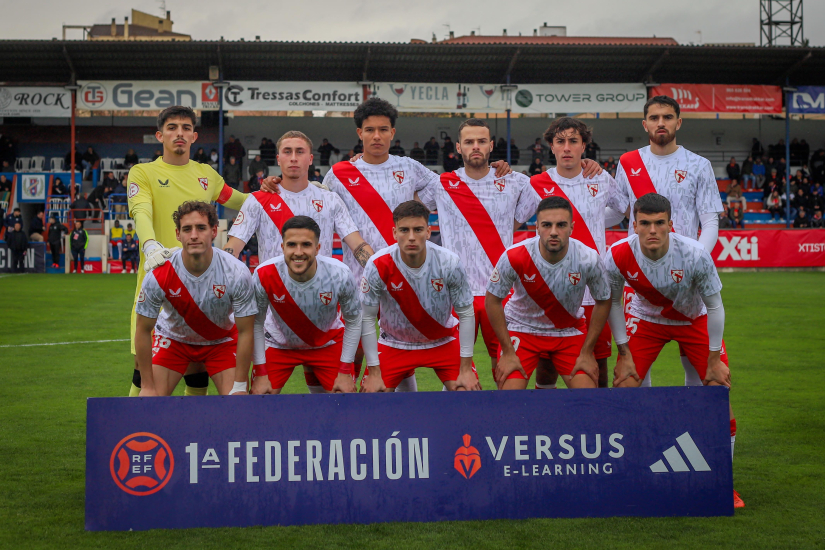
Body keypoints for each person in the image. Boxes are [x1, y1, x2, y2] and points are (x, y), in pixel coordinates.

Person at [419, 118, 603, 380]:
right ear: (458, 147)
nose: (475, 146)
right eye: (469, 142)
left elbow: (549, 201)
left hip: (501, 293)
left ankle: (500, 419)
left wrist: (586, 163)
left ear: (491, 146)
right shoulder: (441, 183)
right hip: (455, 293)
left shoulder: (517, 182)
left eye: (481, 141)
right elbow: (413, 208)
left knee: (503, 368)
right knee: (453, 369)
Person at [602, 192, 741, 509]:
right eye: (646, 223)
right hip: (645, 319)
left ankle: (724, 483)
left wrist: (714, 358)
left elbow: (715, 307)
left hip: (693, 319)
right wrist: (623, 353)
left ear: (670, 224)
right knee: (624, 388)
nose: (652, 230)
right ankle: (628, 475)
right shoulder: (617, 254)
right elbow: (612, 302)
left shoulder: (694, 255)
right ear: (633, 225)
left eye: (659, 223)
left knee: (719, 396)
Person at [125, 105, 250, 398]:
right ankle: (132, 430)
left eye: (185, 128)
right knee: (142, 370)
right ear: (160, 135)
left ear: (194, 136)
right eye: (172, 128)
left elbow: (243, 201)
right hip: (161, 279)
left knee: (198, 371)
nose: (179, 133)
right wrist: (149, 243)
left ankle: (189, 438)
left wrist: (287, 192)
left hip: (204, 284)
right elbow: (140, 210)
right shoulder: (143, 172)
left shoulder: (207, 175)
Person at [613, 95, 724, 389]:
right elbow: (616, 212)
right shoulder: (628, 162)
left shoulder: (699, 165)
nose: (661, 123)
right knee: (638, 365)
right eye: (654, 117)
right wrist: (591, 181)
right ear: (645, 124)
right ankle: (644, 428)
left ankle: (696, 426)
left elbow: (710, 220)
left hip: (688, 278)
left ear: (678, 121)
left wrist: (696, 261)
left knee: (693, 362)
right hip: (639, 279)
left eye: (667, 117)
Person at [529, 117, 625, 389]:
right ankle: (546, 426)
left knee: (599, 368)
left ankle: (599, 427)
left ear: (584, 145)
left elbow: (620, 210)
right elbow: (516, 217)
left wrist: (591, 220)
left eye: (573, 141)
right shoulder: (537, 183)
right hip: (553, 289)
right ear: (551, 147)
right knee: (546, 368)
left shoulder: (600, 177)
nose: (567, 147)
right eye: (561, 141)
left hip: (595, 290)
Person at [487, 196, 611, 390]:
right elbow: (492, 300)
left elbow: (603, 300)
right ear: (537, 227)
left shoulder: (588, 259)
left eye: (561, 225)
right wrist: (508, 352)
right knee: (510, 397)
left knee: (587, 396)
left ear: (571, 227)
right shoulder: (515, 255)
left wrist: (587, 351)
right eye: (546, 225)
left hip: (568, 331)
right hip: (522, 329)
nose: (553, 232)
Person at [134, 201, 256, 397]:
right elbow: (142, 329)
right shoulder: (159, 273)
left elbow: (246, 331)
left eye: (201, 228)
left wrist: (240, 386)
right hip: (172, 340)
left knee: (238, 404)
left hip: (221, 342)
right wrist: (147, 386)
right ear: (177, 234)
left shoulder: (237, 272)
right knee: (150, 399)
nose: (193, 235)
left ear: (214, 231)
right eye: (187, 229)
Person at [360, 201, 480, 392]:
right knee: (373, 396)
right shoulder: (378, 264)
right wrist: (374, 372)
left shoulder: (449, 262)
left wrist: (465, 368)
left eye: (418, 230)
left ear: (428, 232)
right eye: (404, 230)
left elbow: (466, 313)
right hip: (394, 343)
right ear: (394, 233)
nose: (411, 237)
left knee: (467, 393)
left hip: (443, 341)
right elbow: (366, 318)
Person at [249, 216, 361, 394]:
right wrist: (261, 373)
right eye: (292, 244)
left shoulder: (340, 274)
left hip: (327, 343)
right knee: (260, 397)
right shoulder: (265, 274)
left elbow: (354, 321)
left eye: (306, 245)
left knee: (345, 398)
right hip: (279, 344)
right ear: (282, 247)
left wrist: (346, 370)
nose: (298, 252)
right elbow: (256, 322)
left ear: (317, 248)